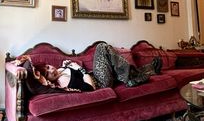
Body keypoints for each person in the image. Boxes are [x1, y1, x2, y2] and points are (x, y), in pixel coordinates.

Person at [19, 43, 162, 93]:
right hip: (100, 83)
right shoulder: (63, 83)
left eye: (48, 67)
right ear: (48, 80)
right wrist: (79, 69)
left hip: (102, 75)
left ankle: (145, 71)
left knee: (109, 54)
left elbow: (29, 62)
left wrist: (68, 65)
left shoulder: (61, 69)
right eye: (48, 73)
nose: (50, 69)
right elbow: (89, 87)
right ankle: (130, 77)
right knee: (101, 47)